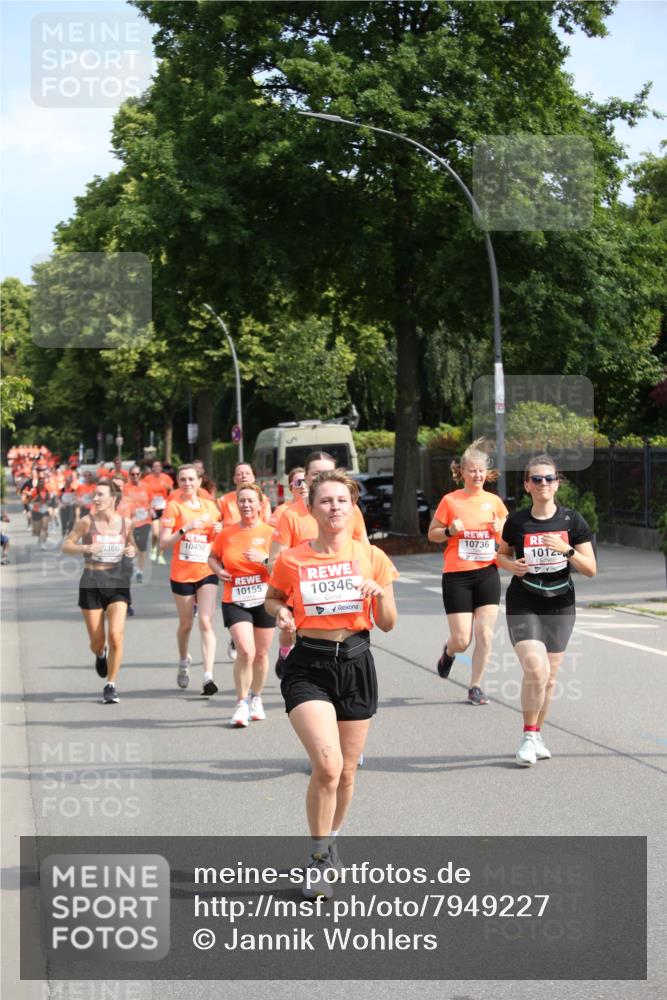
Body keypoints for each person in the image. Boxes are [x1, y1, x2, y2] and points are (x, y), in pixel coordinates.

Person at [266, 469, 398, 898]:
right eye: (326, 501)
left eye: (342, 500)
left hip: (357, 661)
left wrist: (378, 593)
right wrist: (281, 614)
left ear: (352, 506)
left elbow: (389, 624)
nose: (335, 507)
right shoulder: (293, 559)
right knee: (327, 764)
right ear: (312, 507)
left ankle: (332, 837)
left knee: (347, 772)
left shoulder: (371, 556)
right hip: (309, 665)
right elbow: (273, 598)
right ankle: (318, 857)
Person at [497, 455, 596, 766]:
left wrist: (565, 550)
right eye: (536, 479)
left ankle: (537, 733)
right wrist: (511, 565)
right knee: (536, 670)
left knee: (550, 677)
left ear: (557, 483)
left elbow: (591, 568)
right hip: (524, 600)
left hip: (560, 603)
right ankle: (527, 736)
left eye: (549, 479)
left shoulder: (572, 521)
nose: (543, 484)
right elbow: (500, 556)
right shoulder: (517, 521)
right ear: (527, 485)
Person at [269, 452, 368, 678]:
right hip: (302, 595)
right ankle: (288, 655)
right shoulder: (291, 515)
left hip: (341, 594)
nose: (322, 477)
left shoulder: (349, 511)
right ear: (306, 477)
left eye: (328, 473)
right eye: (316, 473)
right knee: (295, 638)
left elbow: (365, 552)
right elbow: (275, 560)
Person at [427, 440, 508, 705]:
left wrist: (500, 526)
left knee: (485, 634)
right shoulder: (450, 501)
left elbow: (507, 537)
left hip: (486, 573)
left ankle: (475, 686)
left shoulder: (494, 502)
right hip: (457, 575)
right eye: (471, 470)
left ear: (487, 473)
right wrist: (450, 530)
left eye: (481, 470)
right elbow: (433, 534)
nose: (477, 475)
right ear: (461, 472)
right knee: (462, 639)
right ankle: (449, 653)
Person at [61, 480, 135, 704]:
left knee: (116, 635)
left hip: (117, 582)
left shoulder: (126, 523)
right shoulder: (86, 522)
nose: (95, 499)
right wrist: (84, 548)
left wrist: (131, 550)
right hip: (91, 582)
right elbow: (66, 545)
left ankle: (110, 685)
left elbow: (131, 546)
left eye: (100, 495)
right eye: (94, 495)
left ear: (113, 498)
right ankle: (100, 654)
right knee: (97, 641)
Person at [208, 484, 275, 727]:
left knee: (261, 654)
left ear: (260, 505)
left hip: (265, 599)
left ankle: (256, 697)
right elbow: (212, 558)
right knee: (246, 651)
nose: (246, 505)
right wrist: (219, 571)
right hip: (235, 598)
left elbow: (282, 565)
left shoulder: (270, 533)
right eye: (242, 501)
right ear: (236, 505)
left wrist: (264, 559)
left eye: (250, 501)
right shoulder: (227, 533)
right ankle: (241, 702)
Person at [160, 465, 222, 694]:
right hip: (182, 573)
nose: (187, 483)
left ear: (199, 482)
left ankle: (208, 676)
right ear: (178, 482)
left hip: (206, 570)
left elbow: (218, 540)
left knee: (206, 621)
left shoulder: (210, 507)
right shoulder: (173, 508)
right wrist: (185, 529)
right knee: (186, 624)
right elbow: (164, 543)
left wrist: (220, 528)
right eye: (183, 479)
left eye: (191, 479)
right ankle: (184, 660)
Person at [121, 465, 154, 583]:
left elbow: (151, 501)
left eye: (137, 474)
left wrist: (151, 509)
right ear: (129, 475)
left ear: (140, 475)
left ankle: (139, 571)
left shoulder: (147, 487)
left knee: (142, 547)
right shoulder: (126, 488)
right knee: (131, 546)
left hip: (145, 521)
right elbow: (123, 503)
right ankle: (130, 566)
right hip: (131, 522)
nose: (135, 476)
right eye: (133, 474)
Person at [145, 460, 174, 564]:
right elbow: (145, 495)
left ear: (161, 468)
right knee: (155, 533)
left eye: (159, 466)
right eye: (155, 466)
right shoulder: (147, 479)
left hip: (164, 508)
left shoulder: (166, 478)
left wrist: (169, 489)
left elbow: (172, 492)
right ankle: (153, 549)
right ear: (152, 468)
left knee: (162, 534)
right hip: (153, 508)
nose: (157, 468)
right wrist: (149, 508)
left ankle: (161, 555)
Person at [28, 474, 57, 548]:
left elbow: (51, 500)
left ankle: (43, 542)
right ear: (38, 483)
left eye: (43, 482)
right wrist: (35, 502)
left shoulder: (47, 490)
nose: (42, 483)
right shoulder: (34, 490)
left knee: (45, 527)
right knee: (37, 530)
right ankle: (39, 537)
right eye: (40, 482)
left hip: (44, 510)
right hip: (36, 511)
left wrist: (49, 502)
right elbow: (29, 500)